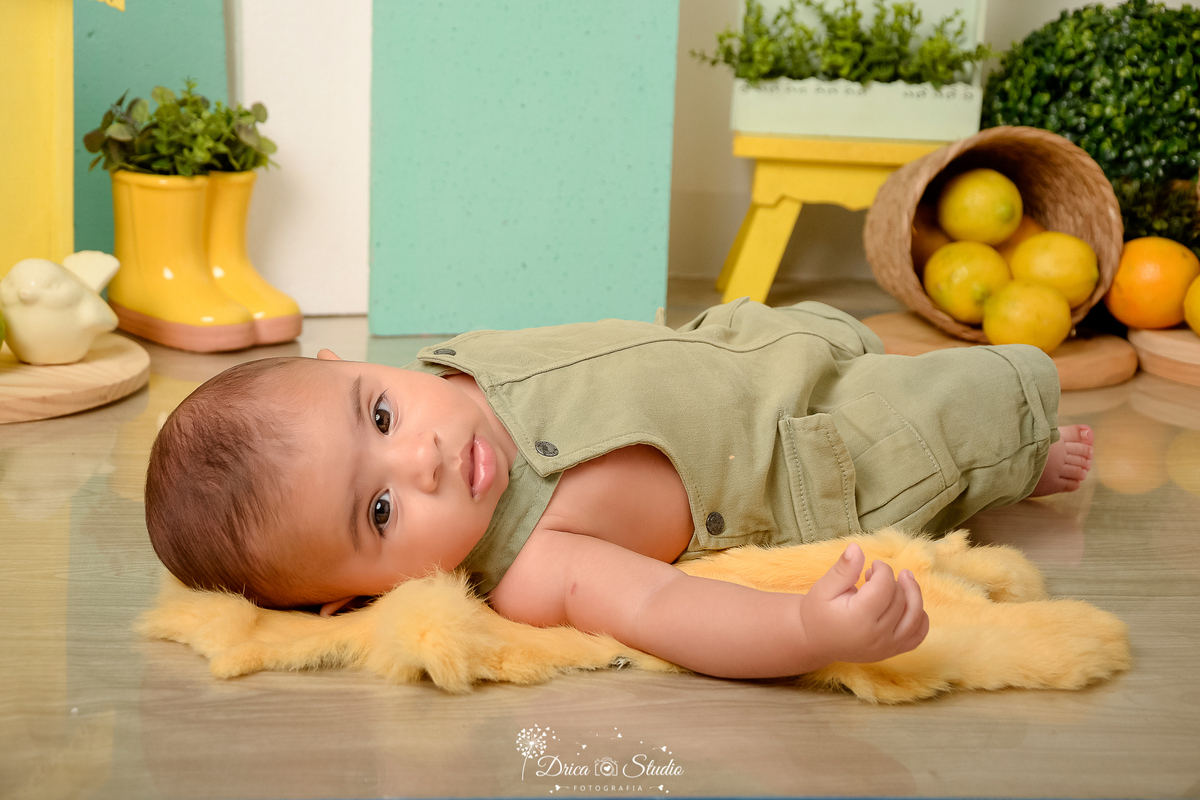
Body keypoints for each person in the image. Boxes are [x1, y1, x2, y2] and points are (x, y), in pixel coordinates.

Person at [145, 299, 1093, 679]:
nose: (421, 460)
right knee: (970, 407)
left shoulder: (456, 367)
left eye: (381, 415)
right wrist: (807, 630)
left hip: (739, 348)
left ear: (348, 361)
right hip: (804, 453)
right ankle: (1016, 463)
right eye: (381, 511)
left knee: (849, 330)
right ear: (359, 597)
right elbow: (667, 608)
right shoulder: (533, 567)